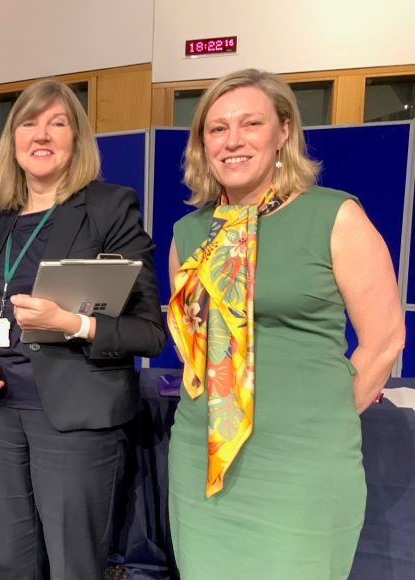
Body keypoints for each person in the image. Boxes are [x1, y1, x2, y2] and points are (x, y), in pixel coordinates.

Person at [166, 69, 405, 579]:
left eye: (250, 123)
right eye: (217, 128)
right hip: (202, 457)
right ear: (202, 144)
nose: (232, 141)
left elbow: (384, 341)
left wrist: (322, 418)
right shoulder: (188, 234)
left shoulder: (334, 216)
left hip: (303, 461)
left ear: (284, 133)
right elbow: (194, 343)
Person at [0, 79, 166, 579]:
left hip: (76, 421)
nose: (43, 134)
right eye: (29, 123)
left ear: (78, 138)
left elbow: (148, 332)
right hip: (0, 415)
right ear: (13, 141)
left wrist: (71, 323)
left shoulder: (110, 208)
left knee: (74, 564)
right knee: (12, 561)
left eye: (58, 123)